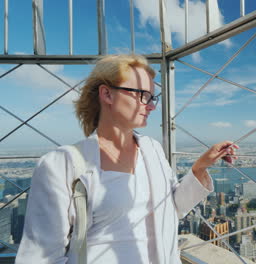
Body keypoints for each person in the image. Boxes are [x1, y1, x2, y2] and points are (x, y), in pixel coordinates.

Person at [15, 54, 238, 264]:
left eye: (153, 97)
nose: (151, 105)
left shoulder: (152, 150)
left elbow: (171, 210)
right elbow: (39, 256)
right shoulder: (60, 164)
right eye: (142, 95)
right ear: (107, 94)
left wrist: (199, 168)